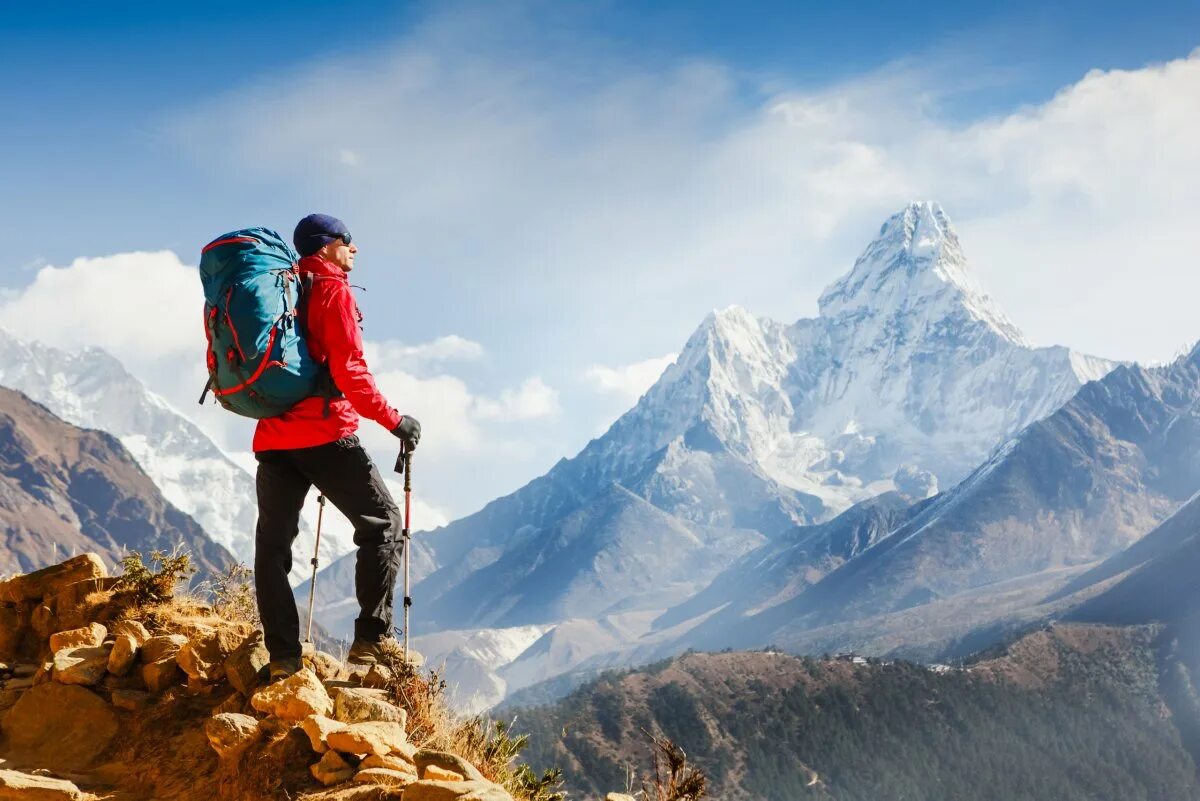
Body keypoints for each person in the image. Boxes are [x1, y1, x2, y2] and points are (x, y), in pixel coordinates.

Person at [252, 213, 421, 680]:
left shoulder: (278, 287)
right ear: (327, 246)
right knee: (382, 523)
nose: (355, 249)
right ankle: (370, 644)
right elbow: (349, 370)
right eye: (348, 240)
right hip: (325, 435)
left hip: (272, 437)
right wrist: (395, 421)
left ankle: (283, 658)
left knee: (273, 548)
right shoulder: (331, 291)